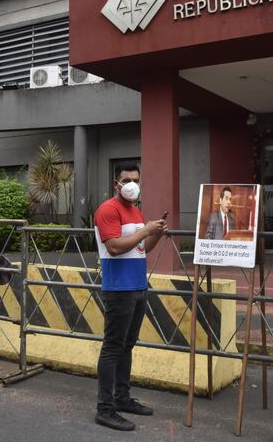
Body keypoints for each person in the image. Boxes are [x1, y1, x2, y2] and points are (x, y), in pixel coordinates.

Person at [93, 162, 167, 431]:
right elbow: (113, 247)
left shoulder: (135, 210)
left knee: (127, 346)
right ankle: (105, 408)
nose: (132, 184)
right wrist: (145, 230)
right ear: (117, 184)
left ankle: (122, 398)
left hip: (138, 286)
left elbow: (140, 247)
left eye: (136, 179)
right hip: (118, 289)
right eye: (126, 180)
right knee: (113, 346)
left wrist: (154, 234)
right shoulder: (107, 210)